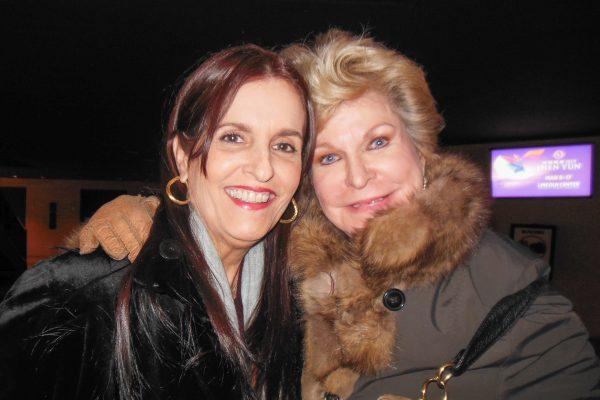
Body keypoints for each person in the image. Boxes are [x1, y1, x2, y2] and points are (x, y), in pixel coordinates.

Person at [68, 30, 600, 399]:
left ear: (421, 148)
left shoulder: (523, 311)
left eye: (378, 141)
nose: (358, 177)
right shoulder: (281, 269)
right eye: (327, 156)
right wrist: (165, 227)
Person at [0, 44, 316, 400]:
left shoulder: (295, 310)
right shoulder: (83, 294)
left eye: (285, 146)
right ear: (182, 156)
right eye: (233, 137)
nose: (263, 168)